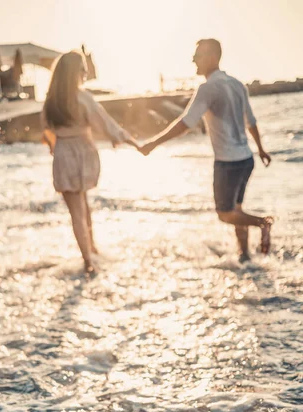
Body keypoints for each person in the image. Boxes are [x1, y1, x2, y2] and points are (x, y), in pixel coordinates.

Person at [140, 39, 273, 261]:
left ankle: (263, 223)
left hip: (228, 162)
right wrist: (261, 149)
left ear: (212, 57)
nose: (193, 61)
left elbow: (186, 123)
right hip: (245, 159)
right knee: (237, 210)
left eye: (198, 56)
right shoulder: (238, 84)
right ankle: (245, 256)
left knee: (225, 214)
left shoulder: (208, 88)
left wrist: (153, 143)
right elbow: (251, 121)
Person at [42, 50, 139, 274]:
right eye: (83, 69)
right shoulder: (82, 97)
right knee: (84, 206)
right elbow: (105, 123)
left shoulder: (51, 101)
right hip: (85, 152)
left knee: (76, 210)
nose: (85, 74)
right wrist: (127, 140)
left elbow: (47, 130)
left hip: (64, 152)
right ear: (77, 72)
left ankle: (88, 257)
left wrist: (54, 148)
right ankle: (90, 254)